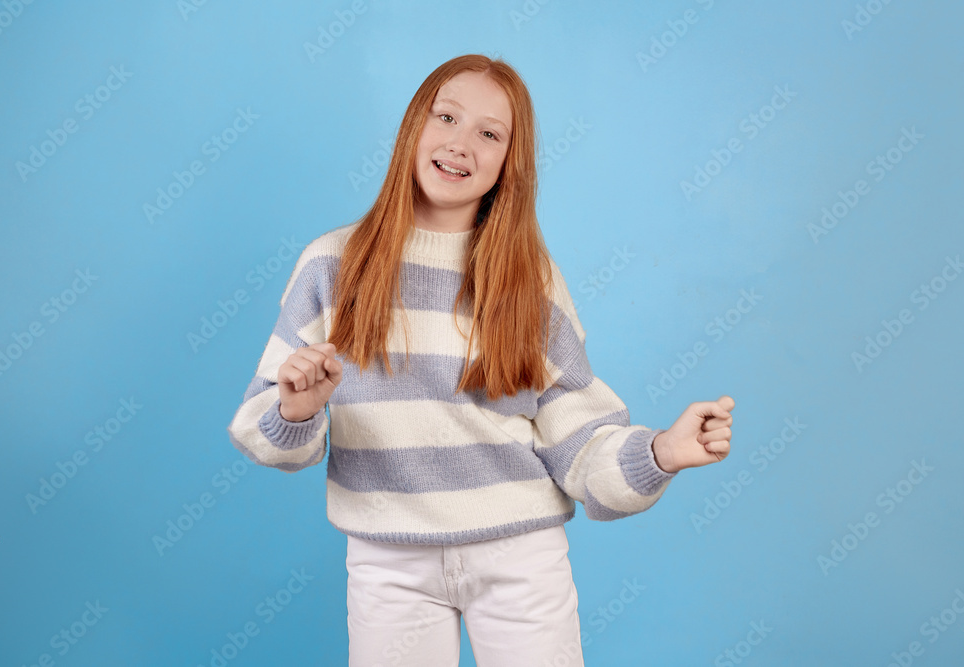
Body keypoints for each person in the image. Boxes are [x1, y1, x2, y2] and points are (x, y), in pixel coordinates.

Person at [226, 53, 734, 667]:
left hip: (520, 557)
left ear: (508, 164)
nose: (460, 143)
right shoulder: (333, 265)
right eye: (446, 117)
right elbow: (264, 432)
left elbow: (575, 439)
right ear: (414, 126)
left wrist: (659, 454)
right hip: (389, 563)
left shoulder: (530, 281)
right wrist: (297, 408)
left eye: (489, 133)